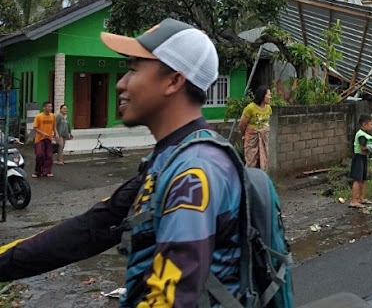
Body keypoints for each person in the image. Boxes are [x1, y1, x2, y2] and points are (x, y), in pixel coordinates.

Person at [0, 18, 243, 307]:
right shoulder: (168, 158)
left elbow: (172, 299)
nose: (120, 83)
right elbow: (94, 227)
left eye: (132, 69)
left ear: (174, 81)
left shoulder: (194, 173)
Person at [349, 114, 372, 208]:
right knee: (357, 179)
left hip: (363, 158)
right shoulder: (361, 135)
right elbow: (363, 148)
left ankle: (361, 198)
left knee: (363, 179)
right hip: (358, 157)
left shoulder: (364, 134)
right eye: (371, 124)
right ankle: (353, 201)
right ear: (365, 124)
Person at [238, 85, 272, 170]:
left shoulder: (268, 108)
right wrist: (244, 135)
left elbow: (267, 123)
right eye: (268, 95)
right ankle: (249, 179)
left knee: (263, 161)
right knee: (251, 161)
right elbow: (241, 124)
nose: (270, 97)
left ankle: (260, 179)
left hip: (264, 138)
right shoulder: (250, 108)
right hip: (252, 139)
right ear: (262, 95)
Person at [33, 101, 57, 178]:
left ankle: (46, 171)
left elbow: (54, 126)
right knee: (40, 155)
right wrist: (43, 133)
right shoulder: (39, 117)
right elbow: (35, 128)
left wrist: (56, 133)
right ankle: (37, 171)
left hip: (49, 139)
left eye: (51, 106)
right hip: (40, 139)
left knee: (49, 156)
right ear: (44, 107)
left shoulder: (52, 116)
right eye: (49, 106)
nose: (50, 108)